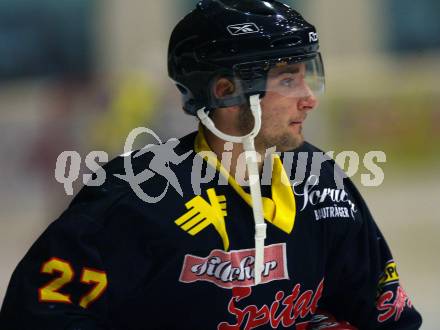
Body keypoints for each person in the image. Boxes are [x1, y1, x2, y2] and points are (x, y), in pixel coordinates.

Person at [0, 0, 422, 329]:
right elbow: (35, 314)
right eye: (289, 79)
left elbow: (387, 316)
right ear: (226, 90)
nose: (309, 98)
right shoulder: (136, 198)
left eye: (308, 76)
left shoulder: (323, 185)